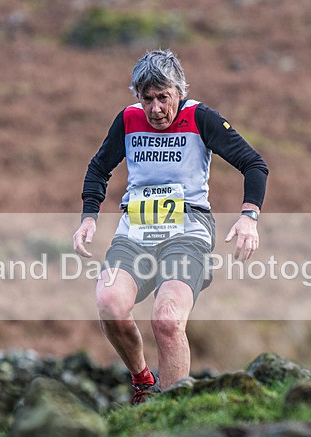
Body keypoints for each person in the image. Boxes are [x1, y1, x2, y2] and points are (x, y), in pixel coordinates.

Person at [72, 50, 269, 404]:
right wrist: (89, 217)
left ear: (179, 92)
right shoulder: (128, 120)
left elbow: (254, 164)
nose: (156, 109)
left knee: (166, 321)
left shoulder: (200, 117)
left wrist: (248, 217)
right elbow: (99, 168)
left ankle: (173, 411)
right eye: (147, 99)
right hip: (136, 231)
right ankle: (144, 382)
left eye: (163, 98)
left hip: (187, 231)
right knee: (109, 305)